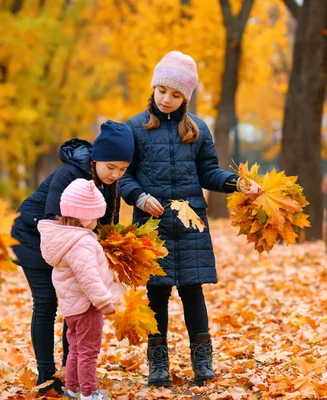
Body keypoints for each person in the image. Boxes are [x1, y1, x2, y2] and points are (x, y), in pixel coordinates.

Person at [119, 51, 262, 387]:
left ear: (186, 96)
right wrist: (139, 196)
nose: (167, 99)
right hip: (151, 226)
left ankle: (203, 362)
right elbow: (123, 177)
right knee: (157, 293)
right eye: (162, 91)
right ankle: (158, 365)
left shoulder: (197, 129)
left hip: (189, 224)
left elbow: (208, 172)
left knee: (192, 291)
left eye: (176, 94)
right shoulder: (134, 128)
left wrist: (235, 183)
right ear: (153, 88)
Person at [11, 121, 134, 394]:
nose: (115, 174)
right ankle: (46, 376)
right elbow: (58, 222)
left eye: (122, 169)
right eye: (111, 167)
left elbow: (106, 222)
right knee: (46, 303)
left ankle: (72, 373)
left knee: (78, 305)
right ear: (96, 158)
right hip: (36, 235)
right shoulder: (69, 174)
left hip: (74, 242)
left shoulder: (109, 182)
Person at [38, 178, 124, 400]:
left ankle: (73, 389)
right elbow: (89, 277)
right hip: (87, 307)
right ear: (86, 217)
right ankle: (88, 393)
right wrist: (104, 302)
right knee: (88, 352)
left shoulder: (64, 238)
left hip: (72, 307)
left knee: (75, 349)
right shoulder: (81, 242)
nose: (97, 222)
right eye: (95, 217)